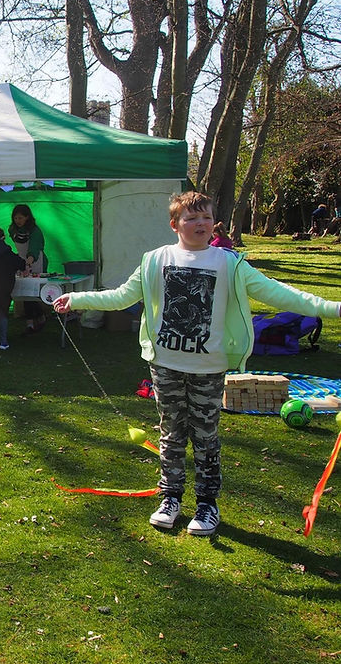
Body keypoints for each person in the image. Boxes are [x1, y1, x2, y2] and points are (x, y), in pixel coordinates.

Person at [52, 191, 341, 537]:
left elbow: (280, 294)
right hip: (165, 365)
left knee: (205, 438)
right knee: (171, 435)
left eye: (205, 216)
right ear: (175, 225)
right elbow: (121, 296)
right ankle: (170, 497)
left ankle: (207, 504)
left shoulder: (229, 263)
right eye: (191, 218)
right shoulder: (154, 260)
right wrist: (78, 298)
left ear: (213, 222)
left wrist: (331, 307)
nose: (200, 223)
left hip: (208, 368)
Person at [8, 204, 47, 335]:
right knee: (24, 291)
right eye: (15, 218)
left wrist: (28, 264)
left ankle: (37, 319)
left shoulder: (35, 231)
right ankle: (32, 322)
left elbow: (34, 249)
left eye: (20, 218)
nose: (17, 220)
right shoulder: (12, 229)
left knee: (32, 292)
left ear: (27, 217)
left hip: (35, 262)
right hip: (22, 260)